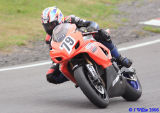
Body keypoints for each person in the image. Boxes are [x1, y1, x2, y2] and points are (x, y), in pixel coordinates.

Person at [41, 6, 132, 84]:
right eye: (46, 26)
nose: (50, 28)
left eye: (51, 24)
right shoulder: (49, 39)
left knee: (101, 33)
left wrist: (91, 28)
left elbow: (90, 23)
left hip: (84, 41)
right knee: (51, 76)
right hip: (68, 53)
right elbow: (54, 50)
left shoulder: (70, 19)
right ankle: (80, 79)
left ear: (59, 18)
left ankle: (119, 58)